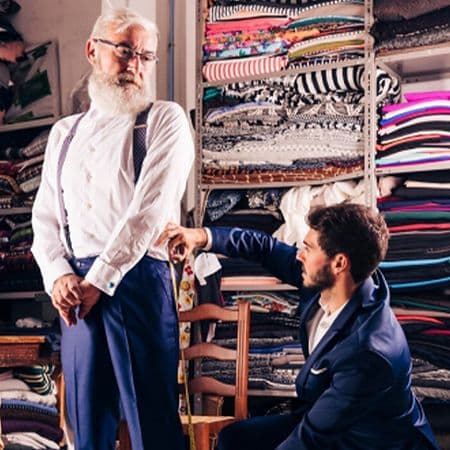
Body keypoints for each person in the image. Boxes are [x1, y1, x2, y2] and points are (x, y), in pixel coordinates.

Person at [31, 8, 194, 450]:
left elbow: (148, 214)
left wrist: (97, 281)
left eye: (145, 56)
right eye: (124, 51)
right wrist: (58, 275)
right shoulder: (63, 134)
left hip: (137, 282)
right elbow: (45, 216)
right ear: (92, 51)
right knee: (85, 428)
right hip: (76, 293)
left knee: (152, 427)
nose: (135, 66)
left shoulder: (165, 120)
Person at [156, 203, 439, 450]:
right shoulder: (329, 282)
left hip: (371, 441)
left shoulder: (369, 351)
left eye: (308, 248)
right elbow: (263, 247)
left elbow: (311, 439)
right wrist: (200, 236)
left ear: (339, 262)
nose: (299, 255)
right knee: (235, 440)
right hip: (330, 422)